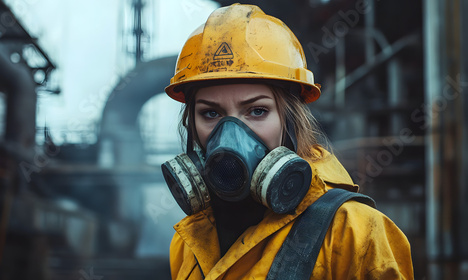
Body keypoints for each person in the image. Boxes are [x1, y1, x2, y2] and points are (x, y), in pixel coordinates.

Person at [161, 3, 414, 279]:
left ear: (290, 119)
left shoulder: (355, 233)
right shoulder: (189, 241)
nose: (230, 136)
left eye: (257, 111)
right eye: (210, 113)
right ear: (191, 124)